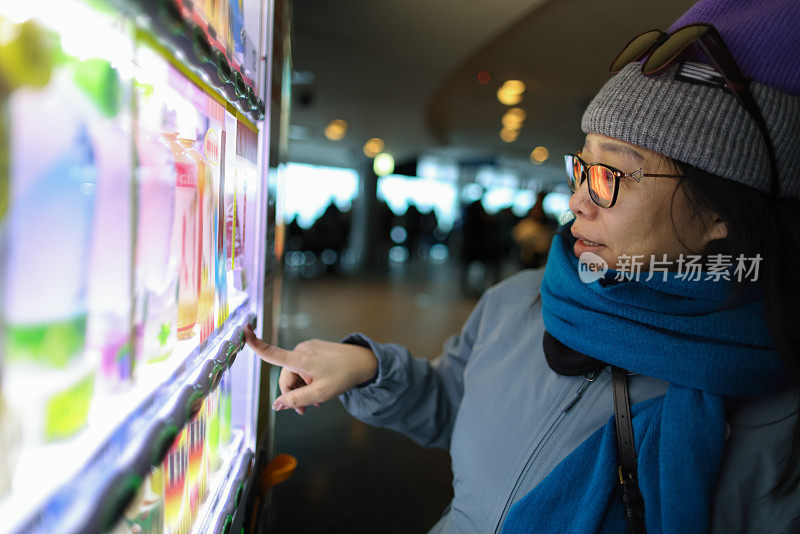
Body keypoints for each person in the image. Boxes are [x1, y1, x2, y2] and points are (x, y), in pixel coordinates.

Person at [244, 0, 800, 532]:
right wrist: (370, 368)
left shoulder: (774, 412)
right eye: (581, 167)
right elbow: (450, 402)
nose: (577, 201)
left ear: (720, 214)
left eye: (613, 176)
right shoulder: (523, 301)